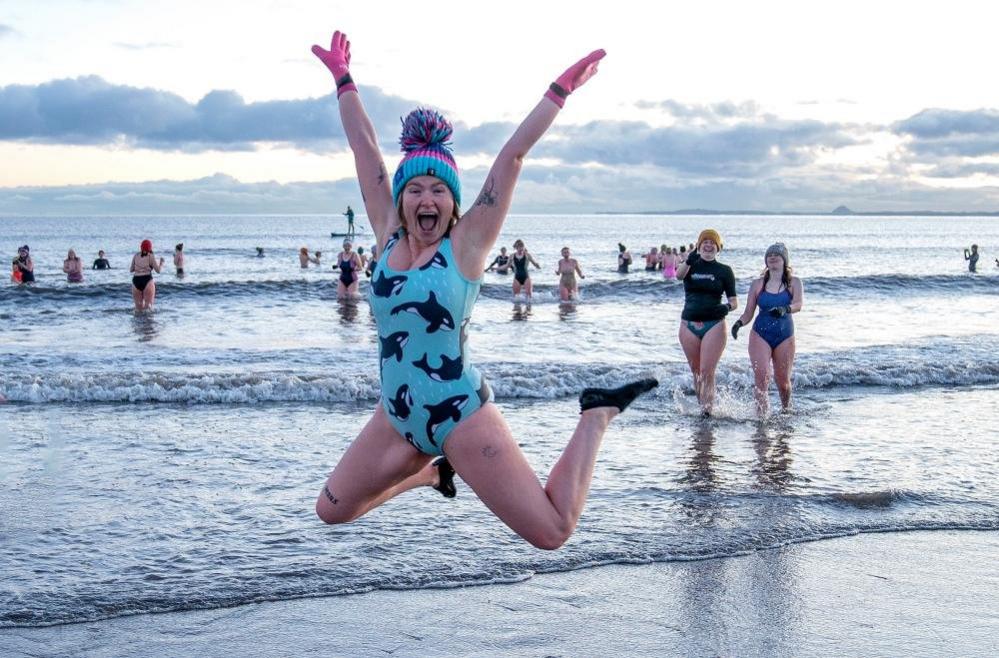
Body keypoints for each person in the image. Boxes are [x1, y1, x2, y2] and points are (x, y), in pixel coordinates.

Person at [310, 29, 657, 550]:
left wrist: (558, 91)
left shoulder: (467, 244)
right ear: (403, 199)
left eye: (439, 190)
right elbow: (365, 148)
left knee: (553, 529)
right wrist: (343, 79)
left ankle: (595, 415)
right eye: (416, 189)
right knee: (332, 510)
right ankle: (431, 474)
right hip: (397, 414)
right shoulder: (385, 235)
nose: (427, 199)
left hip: (458, 414)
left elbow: (512, 157)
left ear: (453, 202)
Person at [731, 243, 804, 415]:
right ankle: (761, 418)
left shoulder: (794, 282)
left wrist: (785, 309)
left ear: (784, 260)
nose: (772, 257)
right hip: (760, 334)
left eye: (776, 255)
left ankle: (787, 410)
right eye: (769, 255)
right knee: (762, 378)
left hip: (785, 335)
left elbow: (799, 304)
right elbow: (749, 312)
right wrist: (738, 324)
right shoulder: (757, 284)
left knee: (783, 382)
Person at [675, 229, 737, 416]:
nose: (708, 245)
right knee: (695, 371)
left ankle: (707, 413)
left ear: (718, 248)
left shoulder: (724, 271)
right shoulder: (690, 266)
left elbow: (734, 302)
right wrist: (688, 260)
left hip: (714, 325)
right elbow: (678, 276)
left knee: (706, 370)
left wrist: (726, 308)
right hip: (688, 324)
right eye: (705, 242)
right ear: (699, 246)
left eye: (712, 242)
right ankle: (703, 408)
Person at [129, 239, 165, 311]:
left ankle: (138, 322)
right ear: (150, 248)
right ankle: (146, 322)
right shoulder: (150, 256)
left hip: (136, 280)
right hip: (147, 279)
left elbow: (131, 270)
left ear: (141, 247)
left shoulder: (136, 255)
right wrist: (161, 263)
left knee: (138, 309)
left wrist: (139, 267)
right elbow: (158, 271)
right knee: (148, 307)